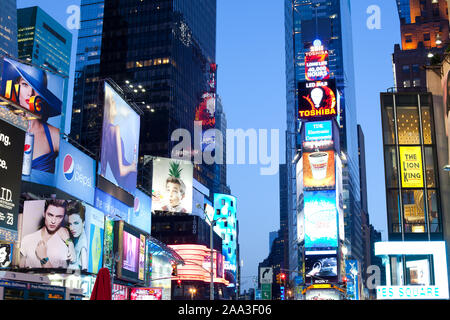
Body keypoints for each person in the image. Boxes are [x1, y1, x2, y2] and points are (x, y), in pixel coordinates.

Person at [8, 59, 62, 173]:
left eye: (36, 89)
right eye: (25, 85)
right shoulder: (4, 122)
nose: (30, 93)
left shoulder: (54, 136)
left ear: (43, 95)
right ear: (16, 87)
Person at [100, 86, 137, 191]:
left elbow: (102, 173)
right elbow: (121, 170)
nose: (115, 103)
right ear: (108, 107)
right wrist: (133, 167)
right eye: (112, 101)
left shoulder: (105, 133)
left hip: (121, 182)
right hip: (128, 177)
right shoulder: (115, 129)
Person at [19, 199, 76, 269]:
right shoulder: (27, 239)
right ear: (44, 214)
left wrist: (43, 258)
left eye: (59, 217)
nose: (53, 221)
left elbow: (60, 276)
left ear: (63, 218)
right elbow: (20, 271)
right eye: (50, 215)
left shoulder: (64, 243)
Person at [67, 201, 88, 271]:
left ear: (83, 223)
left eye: (76, 223)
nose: (72, 228)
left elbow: (84, 267)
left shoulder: (83, 243)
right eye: (70, 224)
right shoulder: (76, 235)